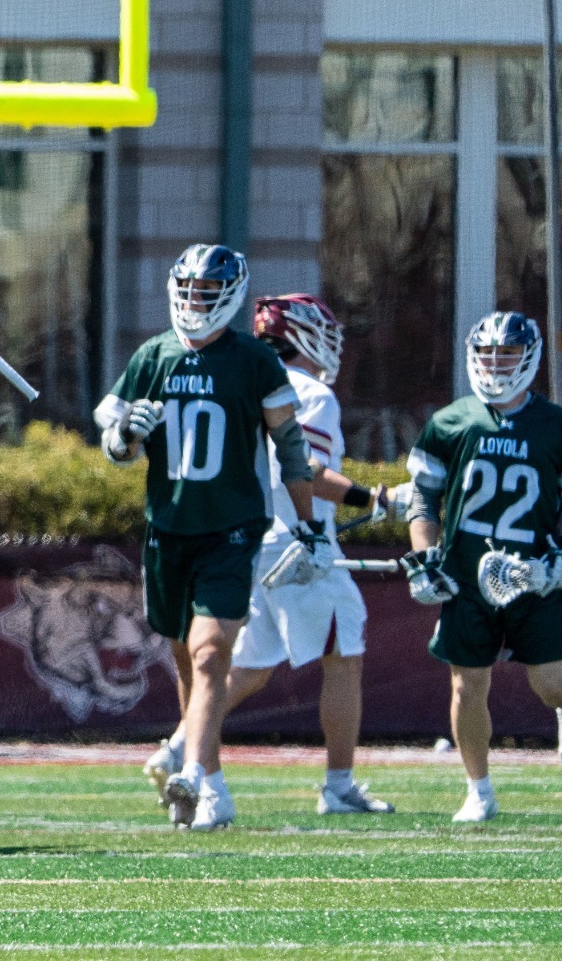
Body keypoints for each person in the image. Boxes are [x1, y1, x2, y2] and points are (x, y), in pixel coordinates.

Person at [94, 244, 315, 831]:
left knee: (212, 651)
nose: (195, 303)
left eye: (206, 293)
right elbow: (113, 441)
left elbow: (289, 446)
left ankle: (191, 774)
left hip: (233, 526)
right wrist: (125, 436)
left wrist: (309, 522)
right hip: (168, 527)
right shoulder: (153, 355)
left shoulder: (252, 361)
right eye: (188, 291)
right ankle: (211, 778)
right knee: (184, 660)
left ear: (231, 296)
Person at [207, 293, 397, 815]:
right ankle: (338, 785)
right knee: (344, 652)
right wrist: (373, 497)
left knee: (252, 664)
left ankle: (179, 751)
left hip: (247, 536)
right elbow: (304, 469)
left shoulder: (241, 381)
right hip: (297, 537)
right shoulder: (309, 392)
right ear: (304, 336)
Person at [402, 311, 562, 822]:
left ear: (528, 357)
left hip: (535, 575)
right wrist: (424, 561)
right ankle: (478, 789)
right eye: (488, 354)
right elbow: (423, 500)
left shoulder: (556, 424)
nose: (496, 364)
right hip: (468, 576)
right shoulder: (450, 421)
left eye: (506, 354)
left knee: (551, 684)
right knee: (467, 683)